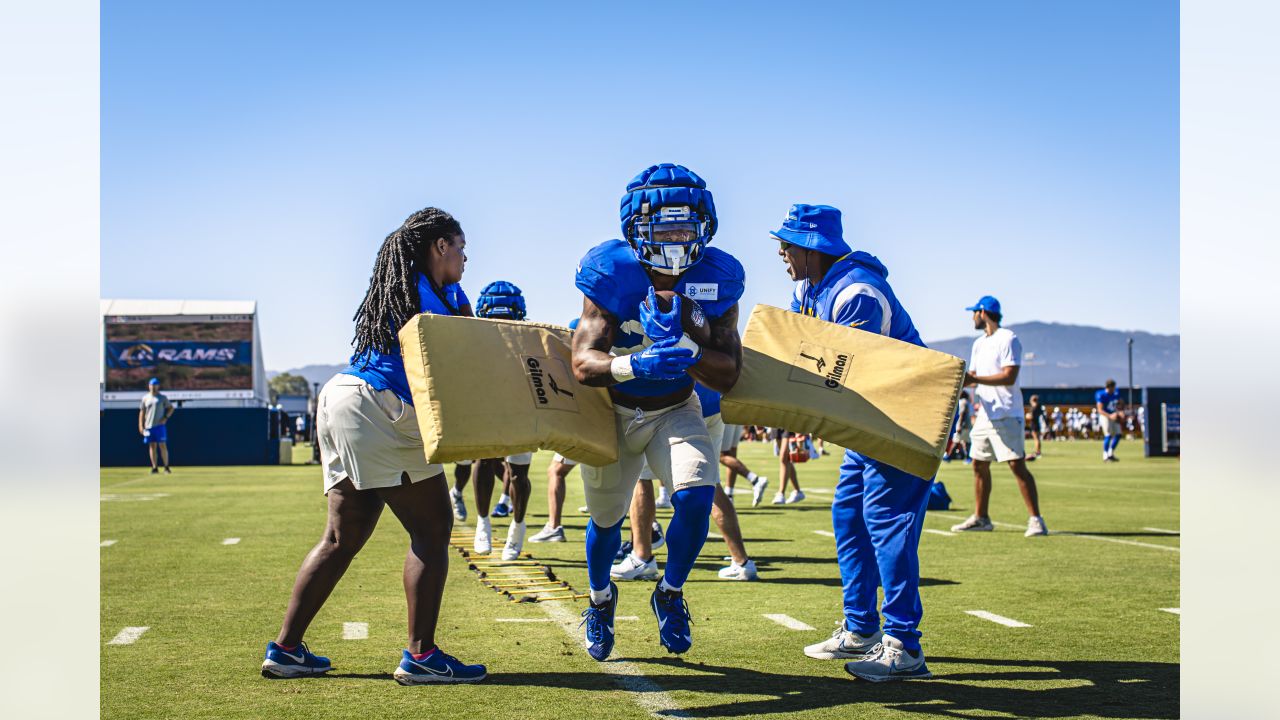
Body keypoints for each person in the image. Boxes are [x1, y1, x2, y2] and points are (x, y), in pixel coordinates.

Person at [260, 207, 485, 685]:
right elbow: (467, 353)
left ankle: (285, 650)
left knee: (342, 538)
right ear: (440, 247)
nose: (466, 258)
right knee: (432, 528)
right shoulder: (426, 299)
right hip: (381, 406)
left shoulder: (414, 287)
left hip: (342, 396)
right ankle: (422, 657)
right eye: (461, 248)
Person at [572, 163, 744, 660]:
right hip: (614, 412)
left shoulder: (717, 276)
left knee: (696, 495)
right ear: (636, 230)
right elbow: (584, 363)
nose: (676, 239)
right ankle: (600, 598)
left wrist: (691, 350)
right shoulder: (612, 272)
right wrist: (635, 361)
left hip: (676, 407)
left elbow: (729, 371)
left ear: (703, 228)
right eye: (664, 228)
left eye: (685, 228)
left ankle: (668, 593)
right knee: (605, 524)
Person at [768, 204, 933, 681]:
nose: (781, 252)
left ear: (812, 247)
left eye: (789, 244)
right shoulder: (815, 288)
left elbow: (856, 373)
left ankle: (904, 644)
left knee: (887, 522)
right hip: (871, 422)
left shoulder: (858, 292)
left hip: (901, 417)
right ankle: (862, 628)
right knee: (849, 518)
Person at [612, 384, 758, 583]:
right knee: (711, 483)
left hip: (681, 404)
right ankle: (741, 561)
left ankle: (642, 557)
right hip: (713, 402)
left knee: (641, 477)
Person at [951, 296, 1048, 538]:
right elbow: (972, 374)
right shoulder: (979, 344)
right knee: (978, 463)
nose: (972, 317)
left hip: (1006, 412)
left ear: (983, 313)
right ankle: (981, 518)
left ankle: (1036, 520)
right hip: (986, 414)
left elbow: (1009, 376)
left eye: (974, 312)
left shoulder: (1008, 338)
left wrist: (974, 380)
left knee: (1017, 464)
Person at [469, 281, 535, 559]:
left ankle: (517, 527)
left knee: (519, 474)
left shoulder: (529, 337)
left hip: (520, 409)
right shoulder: (474, 340)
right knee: (483, 461)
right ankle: (482, 523)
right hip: (487, 409)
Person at [720, 419, 769, 507]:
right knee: (731, 454)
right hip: (736, 415)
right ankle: (729, 495)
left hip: (725, 414)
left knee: (722, 455)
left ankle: (755, 480)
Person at [138, 377, 175, 473]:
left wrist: (165, 418)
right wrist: (141, 426)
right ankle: (155, 467)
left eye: (155, 385)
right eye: (151, 385)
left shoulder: (162, 398)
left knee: (162, 445)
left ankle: (166, 467)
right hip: (148, 426)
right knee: (152, 446)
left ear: (158, 386)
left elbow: (171, 408)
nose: (153, 387)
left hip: (159, 426)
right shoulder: (145, 398)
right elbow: (142, 412)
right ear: (149, 386)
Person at [772, 427, 804, 504]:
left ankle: (781, 493)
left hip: (789, 421)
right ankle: (798, 491)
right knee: (786, 459)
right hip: (777, 420)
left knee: (784, 457)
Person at [1096, 379, 1125, 462]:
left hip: (1114, 415)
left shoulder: (1116, 393)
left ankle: (1110, 453)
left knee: (1118, 434)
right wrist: (1110, 415)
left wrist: (1120, 412)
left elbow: (1120, 403)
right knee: (1108, 435)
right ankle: (1105, 455)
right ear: (1109, 387)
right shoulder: (1101, 394)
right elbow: (1100, 410)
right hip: (1105, 416)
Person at [1028, 395, 1045, 460]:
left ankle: (1038, 452)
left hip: (1034, 424)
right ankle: (1038, 451)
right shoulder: (1039, 406)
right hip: (1037, 423)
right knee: (1037, 438)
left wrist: (1027, 416)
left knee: (1036, 438)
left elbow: (1031, 416)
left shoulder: (1034, 407)